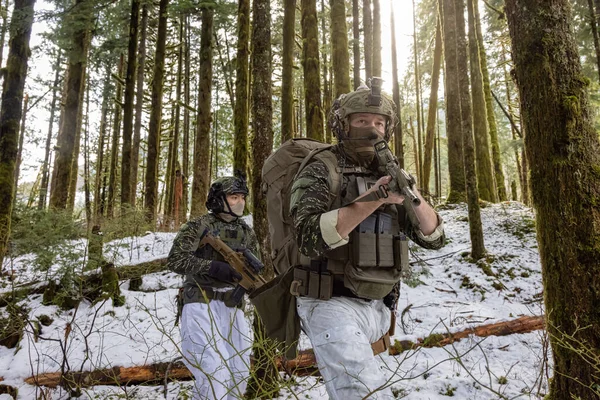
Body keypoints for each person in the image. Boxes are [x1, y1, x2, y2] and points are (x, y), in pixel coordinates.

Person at [289, 82, 445, 399]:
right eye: (362, 121)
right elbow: (306, 237)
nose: (372, 130)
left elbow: (434, 238)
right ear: (343, 125)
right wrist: (374, 199)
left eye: (379, 123)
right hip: (329, 303)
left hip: (378, 307)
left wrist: (409, 193)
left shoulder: (388, 172)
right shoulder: (323, 167)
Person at [167, 174, 258, 400]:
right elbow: (175, 260)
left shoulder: (247, 232)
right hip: (200, 302)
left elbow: (255, 267)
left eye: (243, 197)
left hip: (232, 305)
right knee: (212, 369)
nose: (240, 202)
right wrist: (213, 267)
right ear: (219, 200)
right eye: (234, 197)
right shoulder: (199, 226)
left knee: (239, 372)